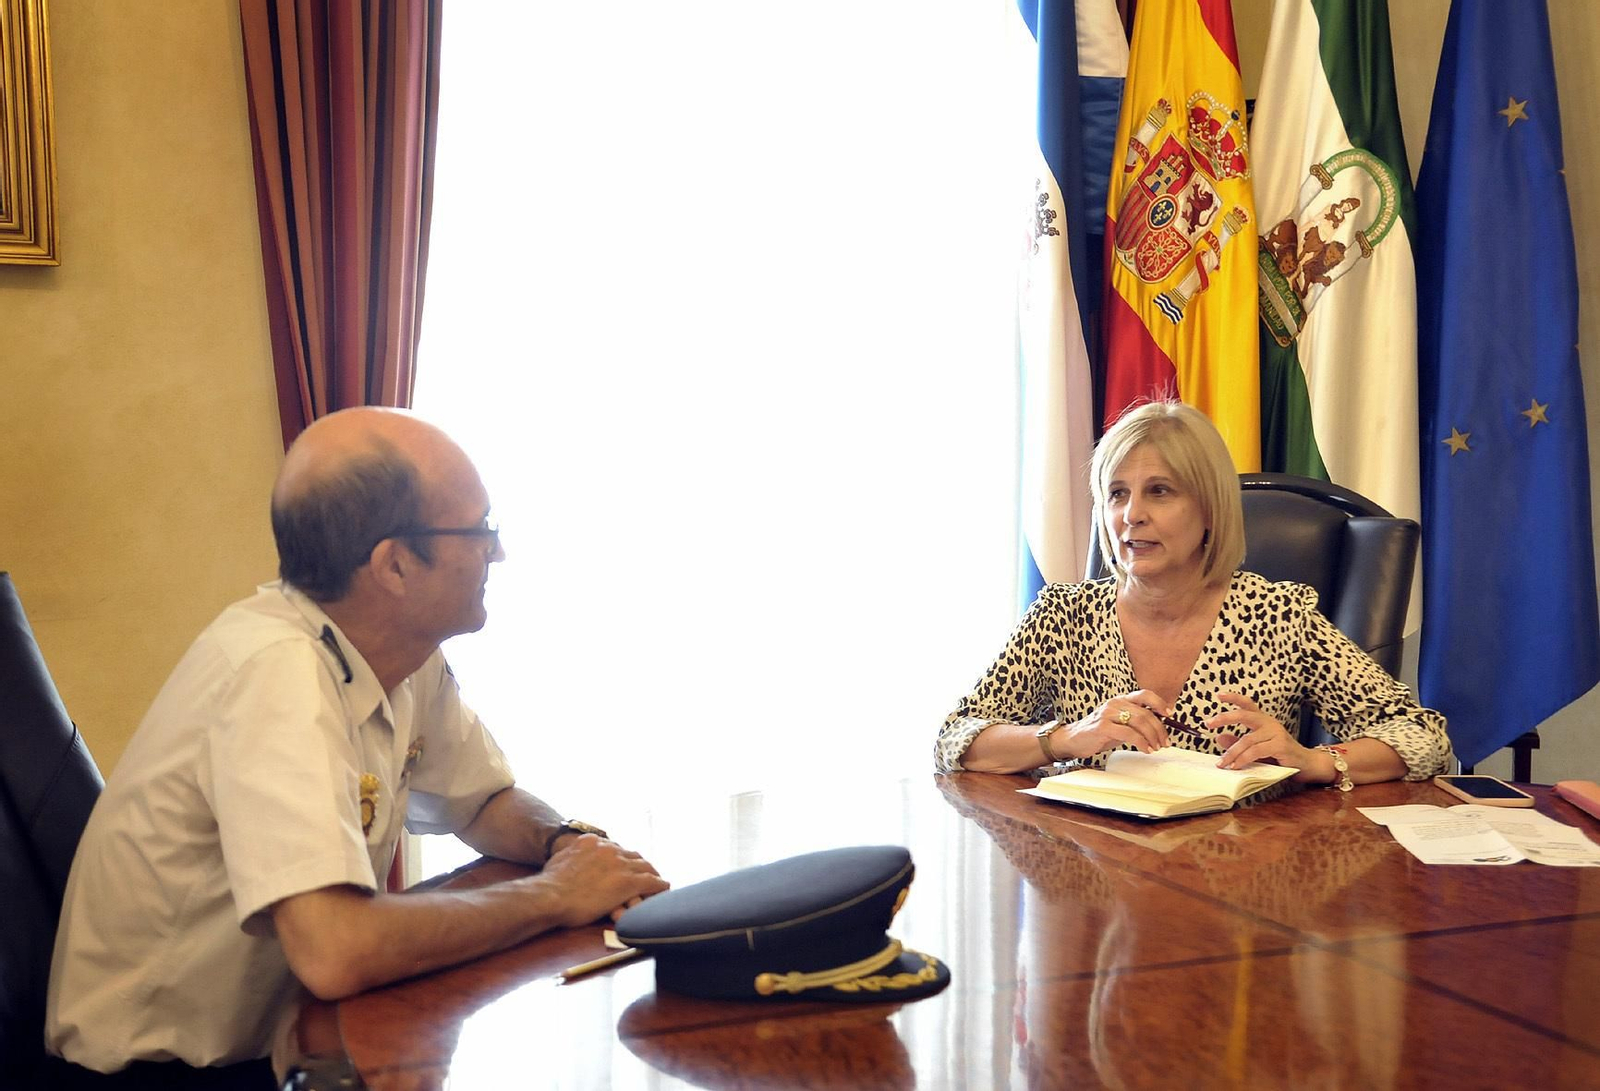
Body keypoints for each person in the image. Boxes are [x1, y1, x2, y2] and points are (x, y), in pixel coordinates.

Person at [43, 408, 669, 1089]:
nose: (497, 553)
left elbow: (482, 800)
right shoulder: (275, 674)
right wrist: (555, 895)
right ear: (395, 564)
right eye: (481, 529)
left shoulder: (400, 649)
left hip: (281, 1037)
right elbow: (335, 950)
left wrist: (566, 844)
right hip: (153, 1076)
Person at [935, 401, 1451, 789]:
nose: (1131, 515)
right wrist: (1065, 737)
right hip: (1092, 873)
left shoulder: (1277, 615)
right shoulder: (1062, 615)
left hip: (1236, 876)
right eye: (1117, 494)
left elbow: (1422, 736)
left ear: (1210, 509)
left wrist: (1313, 760)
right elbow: (956, 738)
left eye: (1159, 491)